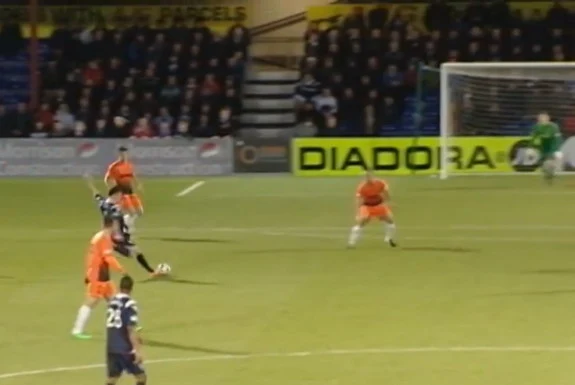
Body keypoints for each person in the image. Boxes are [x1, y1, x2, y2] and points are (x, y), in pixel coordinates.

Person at [84, 174, 162, 277]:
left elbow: (97, 195)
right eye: (119, 195)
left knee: (135, 252)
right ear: (114, 195)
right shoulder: (112, 208)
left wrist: (90, 184)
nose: (121, 197)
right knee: (131, 253)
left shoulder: (103, 203)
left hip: (117, 236)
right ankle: (150, 272)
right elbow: (116, 218)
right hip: (116, 238)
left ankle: (151, 272)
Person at [72, 216, 127, 339]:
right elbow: (108, 258)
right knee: (91, 301)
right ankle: (77, 330)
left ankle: (124, 326)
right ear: (112, 225)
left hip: (103, 276)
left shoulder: (101, 236)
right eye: (116, 225)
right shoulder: (103, 239)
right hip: (98, 276)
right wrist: (121, 269)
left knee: (115, 300)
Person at [106, 275, 147, 385]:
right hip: (125, 348)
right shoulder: (130, 304)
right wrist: (137, 350)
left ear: (120, 287)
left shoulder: (112, 302)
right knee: (141, 377)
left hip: (111, 347)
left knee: (112, 378)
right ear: (131, 288)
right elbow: (130, 329)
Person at [347, 171, 397, 248]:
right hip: (367, 207)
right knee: (361, 223)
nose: (368, 179)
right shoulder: (362, 187)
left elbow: (386, 192)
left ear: (373, 177)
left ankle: (389, 239)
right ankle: (351, 242)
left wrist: (389, 202)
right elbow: (359, 200)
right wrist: (358, 212)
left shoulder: (380, 183)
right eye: (366, 178)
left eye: (369, 177)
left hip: (379, 205)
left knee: (390, 222)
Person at [105, 146, 143, 232]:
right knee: (132, 212)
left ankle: (125, 223)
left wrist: (139, 184)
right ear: (119, 155)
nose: (124, 156)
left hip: (130, 190)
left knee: (140, 212)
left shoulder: (129, 165)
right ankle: (126, 228)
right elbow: (107, 179)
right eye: (122, 154)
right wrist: (114, 189)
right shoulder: (114, 166)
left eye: (125, 154)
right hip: (121, 192)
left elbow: (132, 174)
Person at [530, 112, 563, 184]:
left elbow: (558, 138)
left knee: (553, 161)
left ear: (548, 118)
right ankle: (548, 175)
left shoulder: (554, 126)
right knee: (545, 166)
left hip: (553, 147)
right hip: (543, 147)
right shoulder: (537, 127)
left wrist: (556, 149)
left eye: (543, 118)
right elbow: (533, 138)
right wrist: (532, 147)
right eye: (540, 118)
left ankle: (554, 172)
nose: (541, 120)